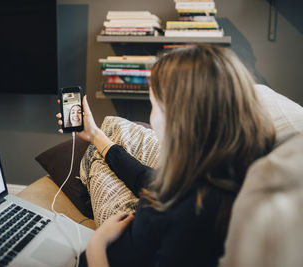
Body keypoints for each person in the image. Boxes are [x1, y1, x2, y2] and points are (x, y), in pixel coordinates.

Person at [56, 45, 275, 266]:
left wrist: (97, 246)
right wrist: (95, 136)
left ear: (180, 119)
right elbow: (149, 180)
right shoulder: (219, 171)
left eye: (154, 106)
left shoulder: (190, 214)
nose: (151, 119)